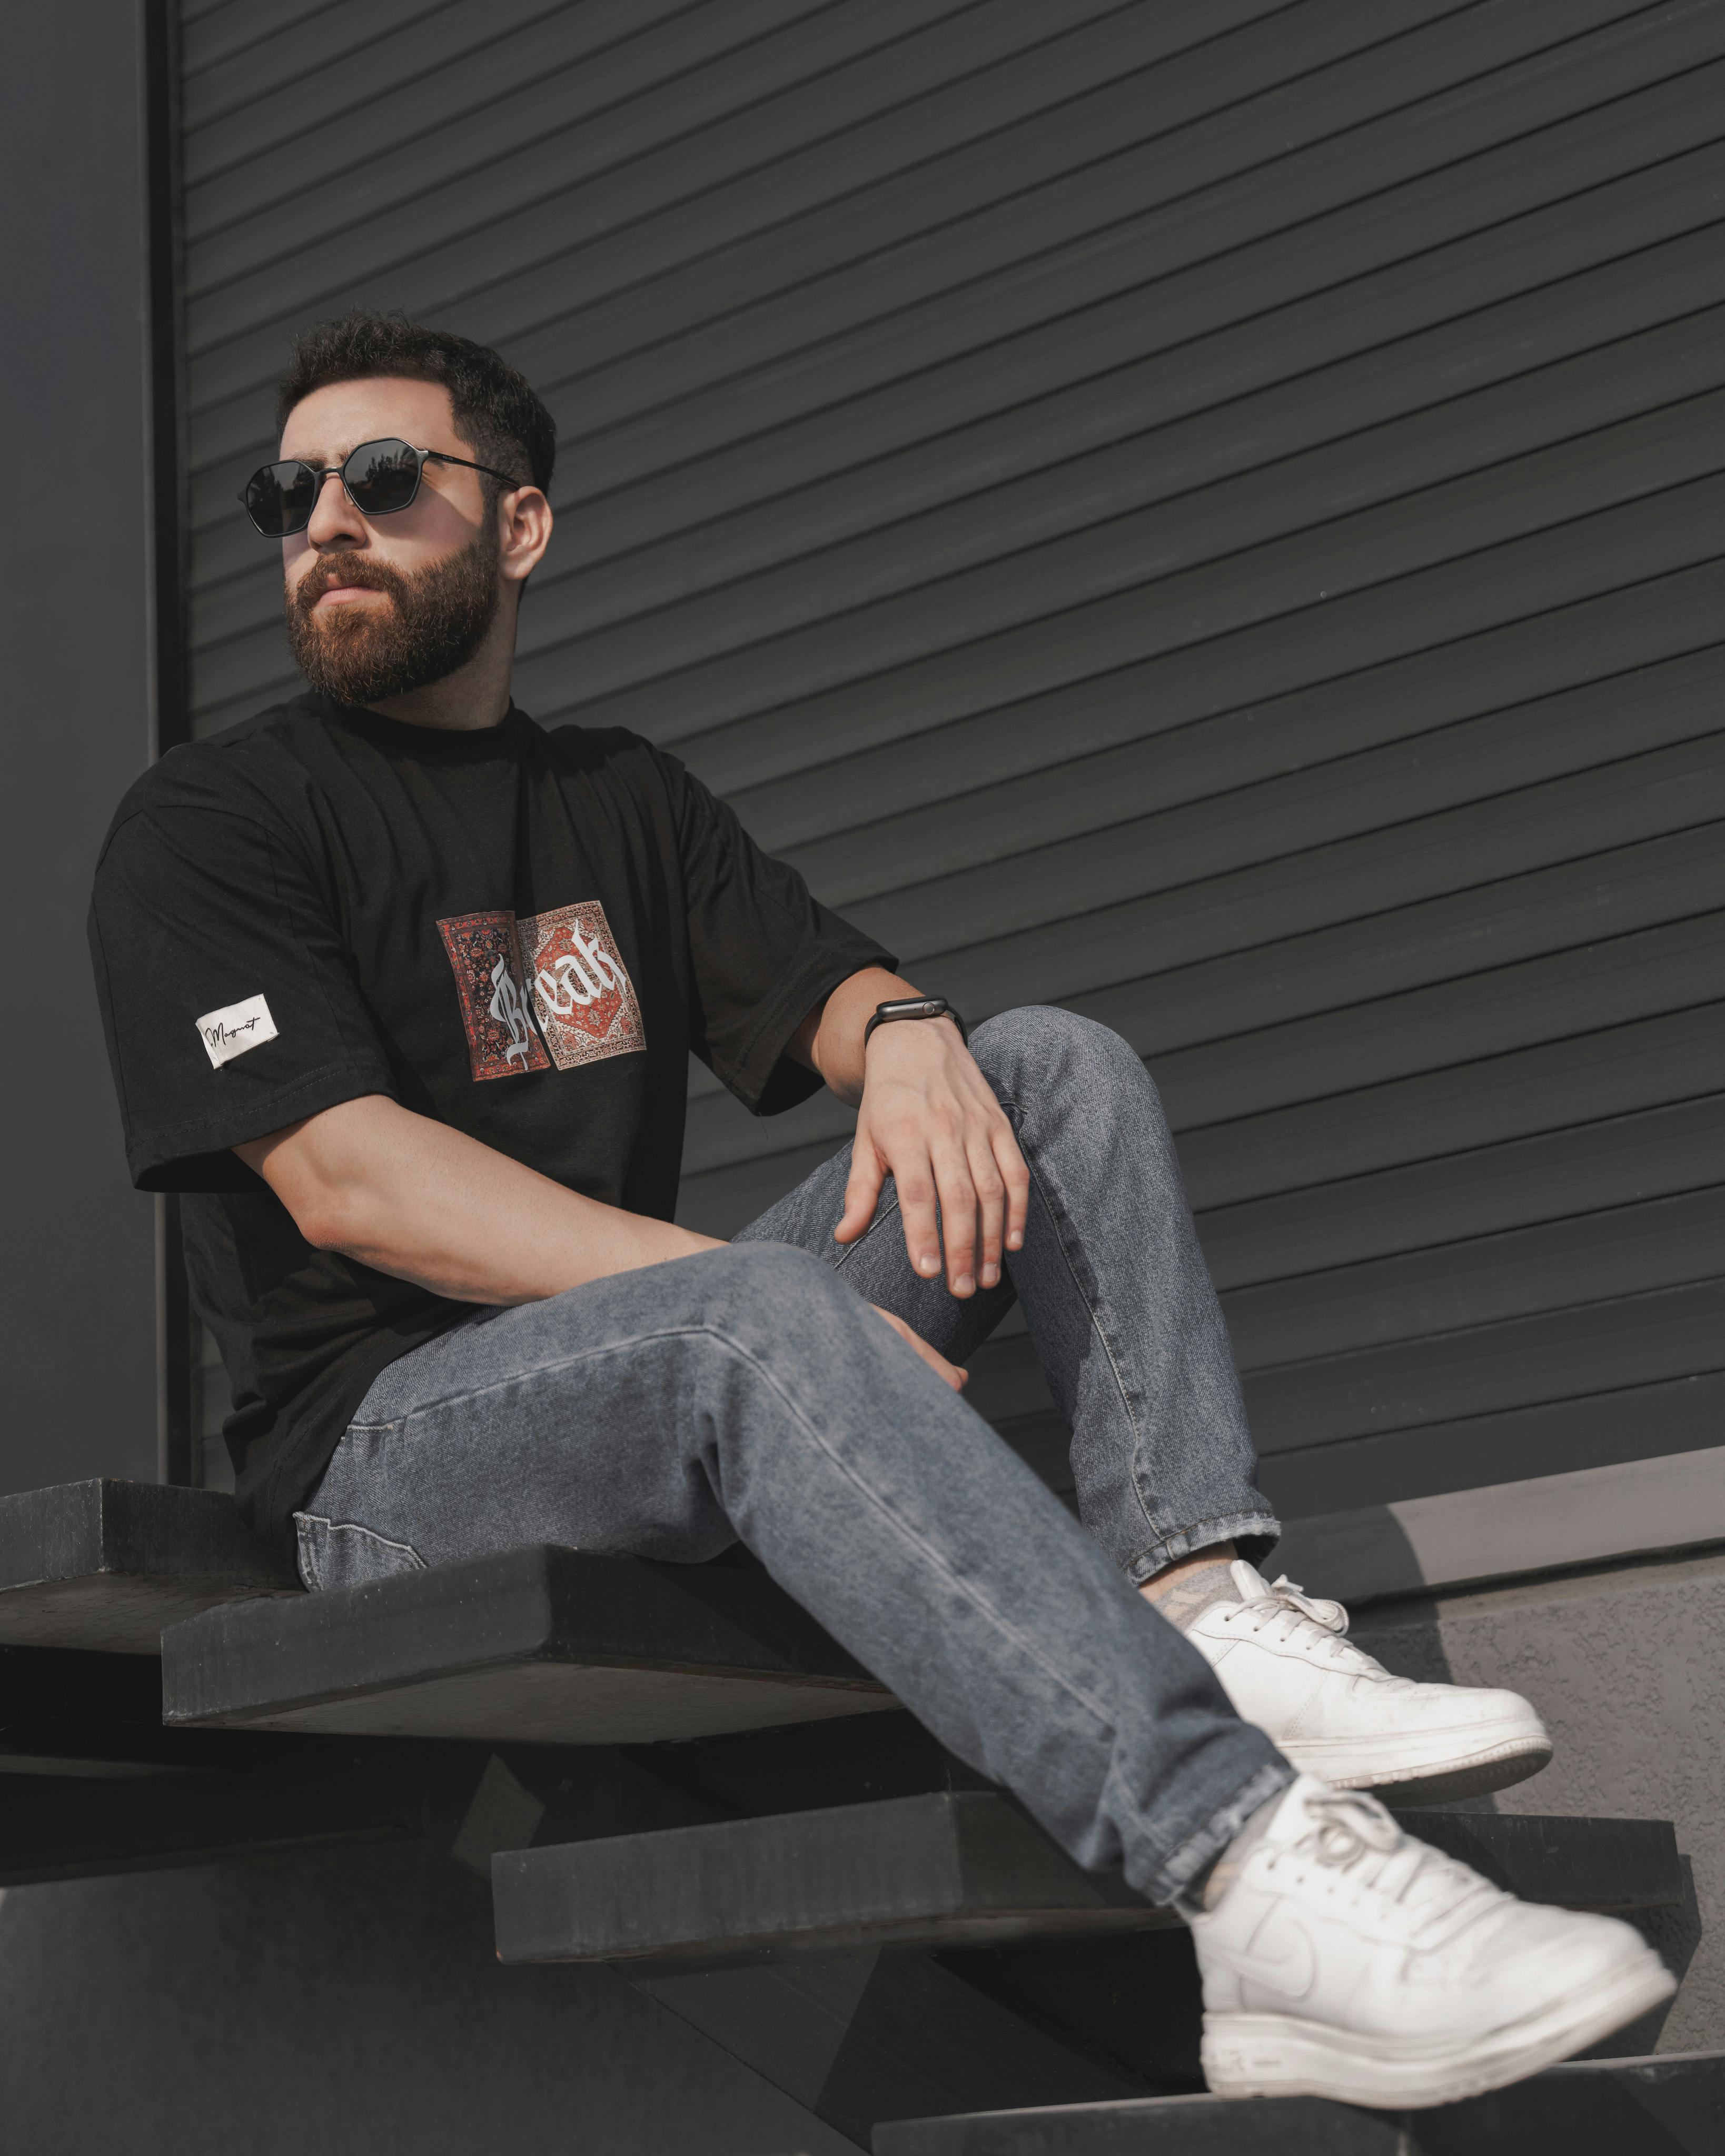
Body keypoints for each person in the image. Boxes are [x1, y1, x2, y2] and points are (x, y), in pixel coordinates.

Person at [88, 311, 1672, 2108]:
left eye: (381, 478)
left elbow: (823, 989)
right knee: (738, 1313)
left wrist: (908, 1030)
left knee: (1050, 1066)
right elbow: (350, 1180)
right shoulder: (210, 821)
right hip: (380, 1460)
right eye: (287, 491)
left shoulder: (617, 794)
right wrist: (776, 1309)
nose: (326, 522)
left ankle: (1201, 1588)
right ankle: (1245, 1875)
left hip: (646, 1371)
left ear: (518, 526)